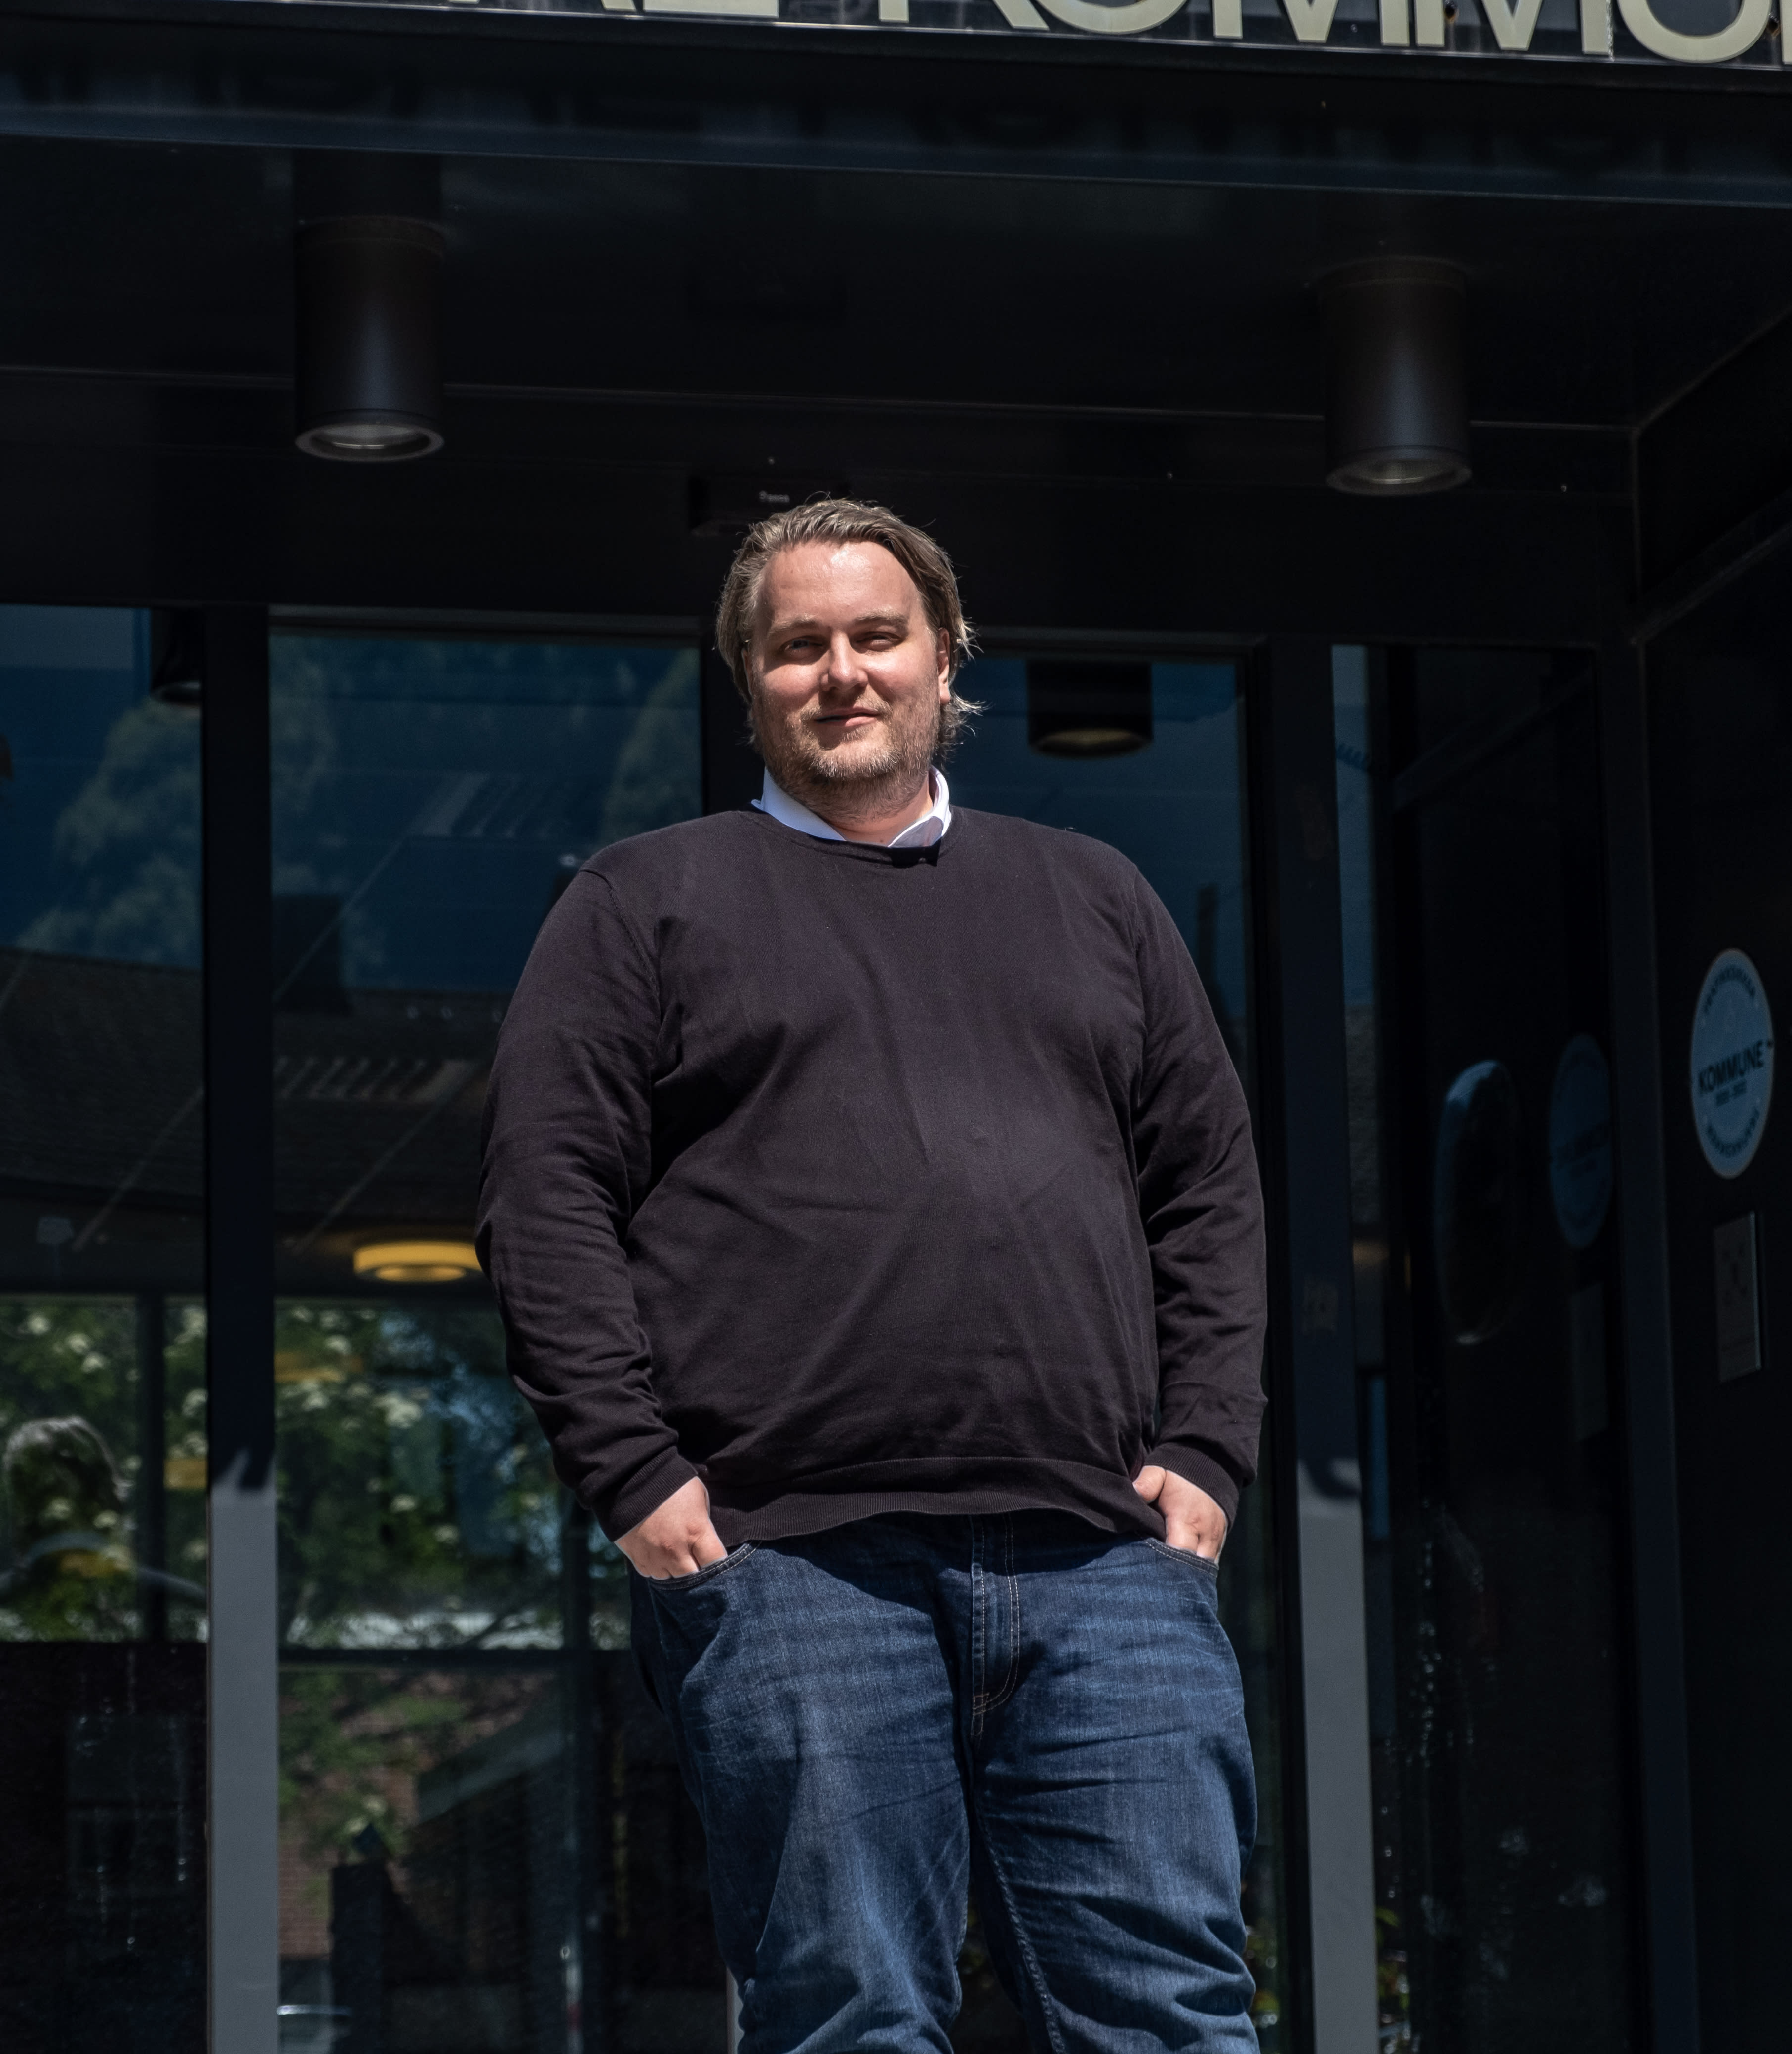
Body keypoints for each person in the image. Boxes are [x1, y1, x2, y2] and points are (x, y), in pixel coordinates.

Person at [476, 499, 1268, 2054]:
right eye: (798, 646)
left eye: (877, 636)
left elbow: (1208, 1189)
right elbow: (542, 1194)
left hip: (1104, 1555)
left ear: (946, 657)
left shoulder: (1097, 899)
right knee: (851, 2020)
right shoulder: (643, 903)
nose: (841, 672)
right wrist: (636, 1475)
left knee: (1171, 2014)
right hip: (792, 1561)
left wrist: (1208, 1446)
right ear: (750, 682)